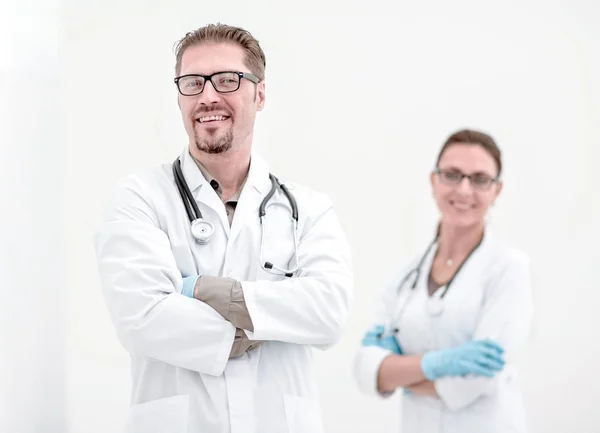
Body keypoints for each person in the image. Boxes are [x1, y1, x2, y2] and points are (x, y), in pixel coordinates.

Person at [94, 23, 353, 433]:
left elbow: (328, 312)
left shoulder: (308, 208)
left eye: (227, 80)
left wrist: (209, 293)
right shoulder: (138, 199)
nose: (208, 96)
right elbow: (141, 317)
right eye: (193, 82)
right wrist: (273, 316)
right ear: (179, 97)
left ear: (260, 93)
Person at [352, 129, 534, 433]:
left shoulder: (509, 268)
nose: (464, 190)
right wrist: (438, 365)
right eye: (452, 174)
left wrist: (400, 373)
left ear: (497, 191)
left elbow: (482, 380)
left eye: (479, 179)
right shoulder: (404, 278)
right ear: (433, 181)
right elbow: (365, 371)